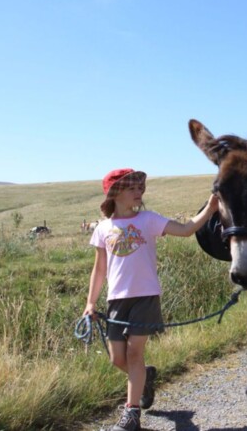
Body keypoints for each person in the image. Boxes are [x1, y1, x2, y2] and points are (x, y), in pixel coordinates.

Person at [84, 168, 219, 431]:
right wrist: (90, 303)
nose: (139, 192)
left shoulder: (148, 219)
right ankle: (145, 379)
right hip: (116, 301)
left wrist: (211, 208)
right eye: (132, 188)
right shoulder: (103, 228)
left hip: (146, 296)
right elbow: (99, 270)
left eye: (140, 188)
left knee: (135, 353)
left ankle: (131, 413)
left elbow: (186, 229)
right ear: (115, 193)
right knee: (117, 359)